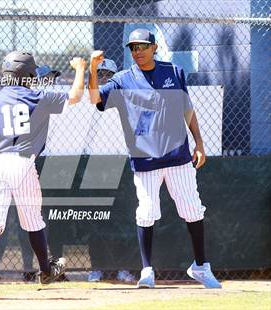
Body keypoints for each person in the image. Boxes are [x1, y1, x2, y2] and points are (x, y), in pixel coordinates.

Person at [88, 28, 221, 289]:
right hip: (145, 160)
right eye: (133, 48)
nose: (137, 52)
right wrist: (92, 68)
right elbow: (95, 99)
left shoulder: (173, 72)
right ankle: (147, 270)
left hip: (178, 157)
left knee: (193, 209)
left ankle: (200, 266)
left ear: (154, 47)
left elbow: (188, 110)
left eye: (142, 46)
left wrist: (200, 144)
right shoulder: (123, 79)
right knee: (147, 213)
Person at [0, 51, 86, 289]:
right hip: (22, 162)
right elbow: (75, 96)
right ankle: (46, 271)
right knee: (33, 220)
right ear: (31, 74)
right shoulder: (38, 96)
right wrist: (80, 68)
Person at [86, 59, 134, 283]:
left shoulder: (124, 100)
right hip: (96, 165)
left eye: (108, 74)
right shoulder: (91, 101)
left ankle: (123, 267)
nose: (104, 78)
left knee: (123, 220)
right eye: (100, 74)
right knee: (96, 219)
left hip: (123, 163)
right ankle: (97, 268)